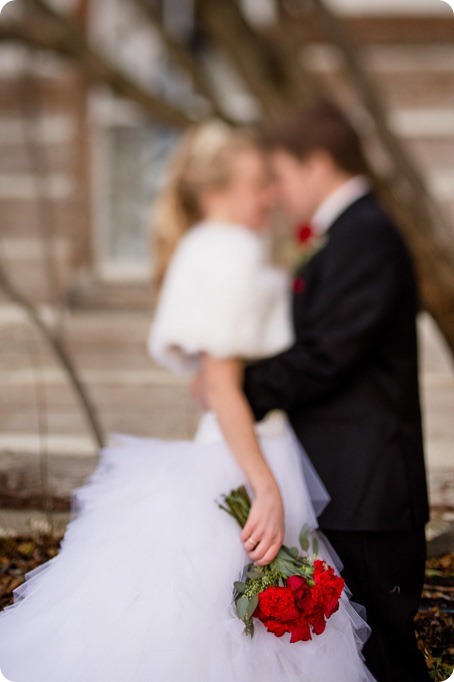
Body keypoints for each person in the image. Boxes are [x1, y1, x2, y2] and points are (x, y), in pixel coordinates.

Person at [0, 121, 375, 682]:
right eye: (257, 184)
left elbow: (206, 379)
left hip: (221, 442)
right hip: (251, 452)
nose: (270, 196)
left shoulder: (200, 248)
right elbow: (221, 384)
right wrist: (265, 486)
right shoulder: (233, 252)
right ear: (214, 194)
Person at [219, 102, 429, 682]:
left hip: (369, 492)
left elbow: (328, 355)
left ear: (317, 164)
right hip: (345, 485)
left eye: (281, 175)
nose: (278, 194)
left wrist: (234, 386)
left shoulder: (367, 234)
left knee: (384, 654)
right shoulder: (347, 233)